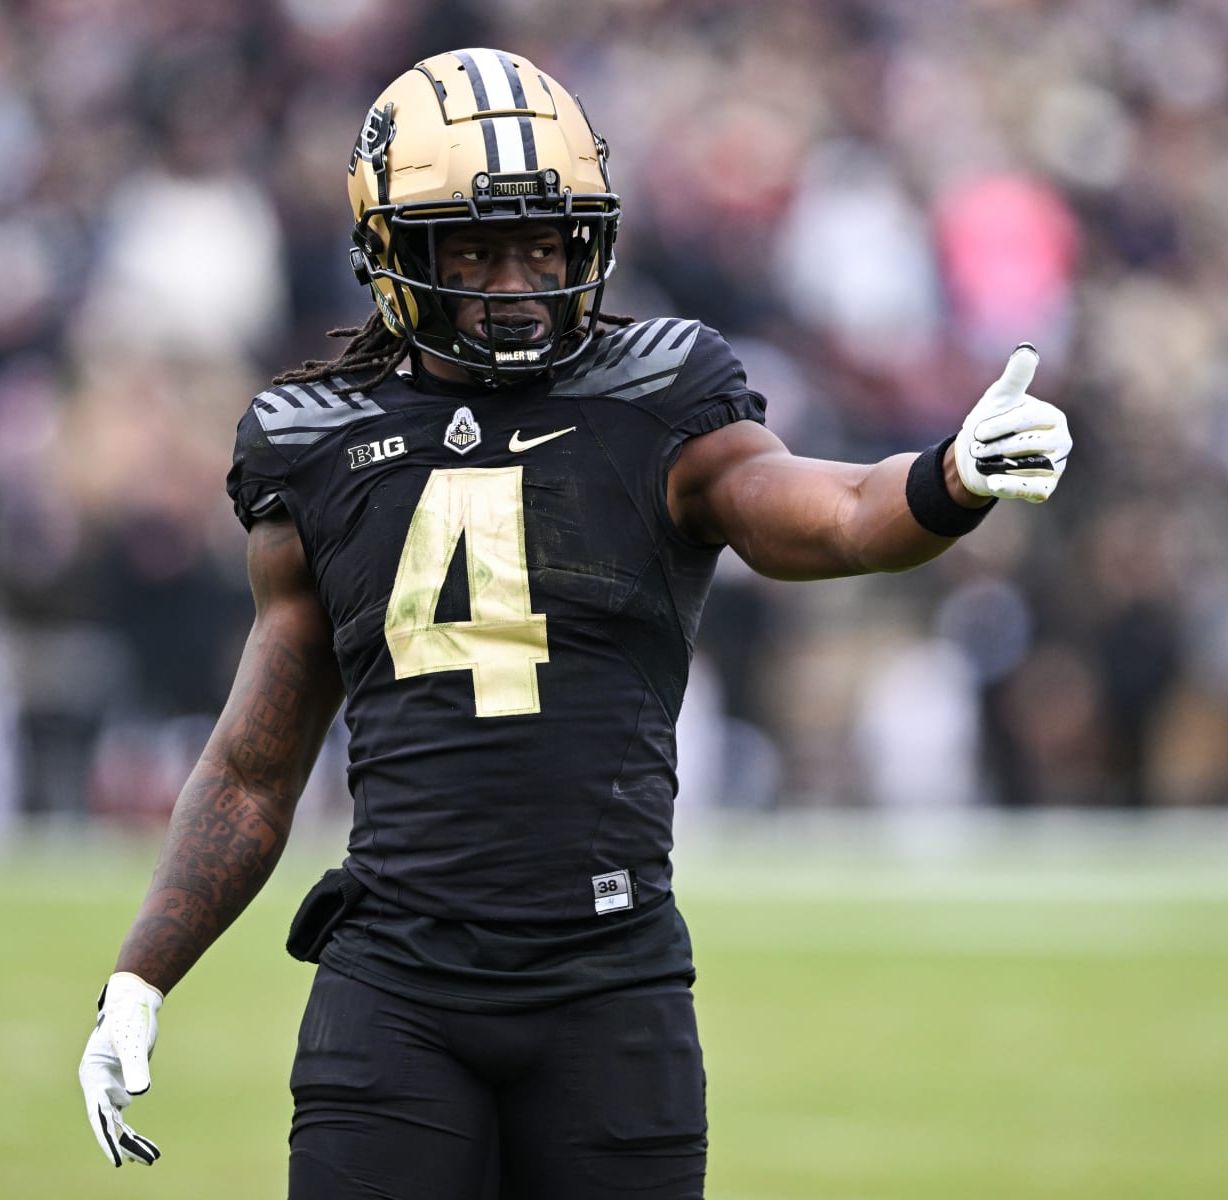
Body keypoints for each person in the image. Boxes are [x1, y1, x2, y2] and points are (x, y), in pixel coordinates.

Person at [78, 47, 1070, 1198]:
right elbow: (256, 770)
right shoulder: (319, 442)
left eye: (545, 245)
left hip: (611, 985)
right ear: (395, 254)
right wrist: (141, 976)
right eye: (477, 251)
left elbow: (838, 513)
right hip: (396, 987)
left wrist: (947, 478)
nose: (518, 283)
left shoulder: (656, 401)